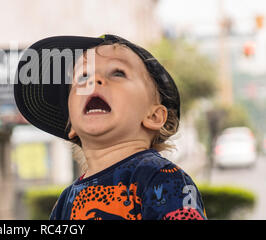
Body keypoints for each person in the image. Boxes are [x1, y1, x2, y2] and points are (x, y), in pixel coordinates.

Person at [13, 34, 207, 220]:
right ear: (71, 125)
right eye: (82, 77)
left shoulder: (160, 177)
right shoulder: (66, 201)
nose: (93, 81)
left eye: (117, 72)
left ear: (154, 116)